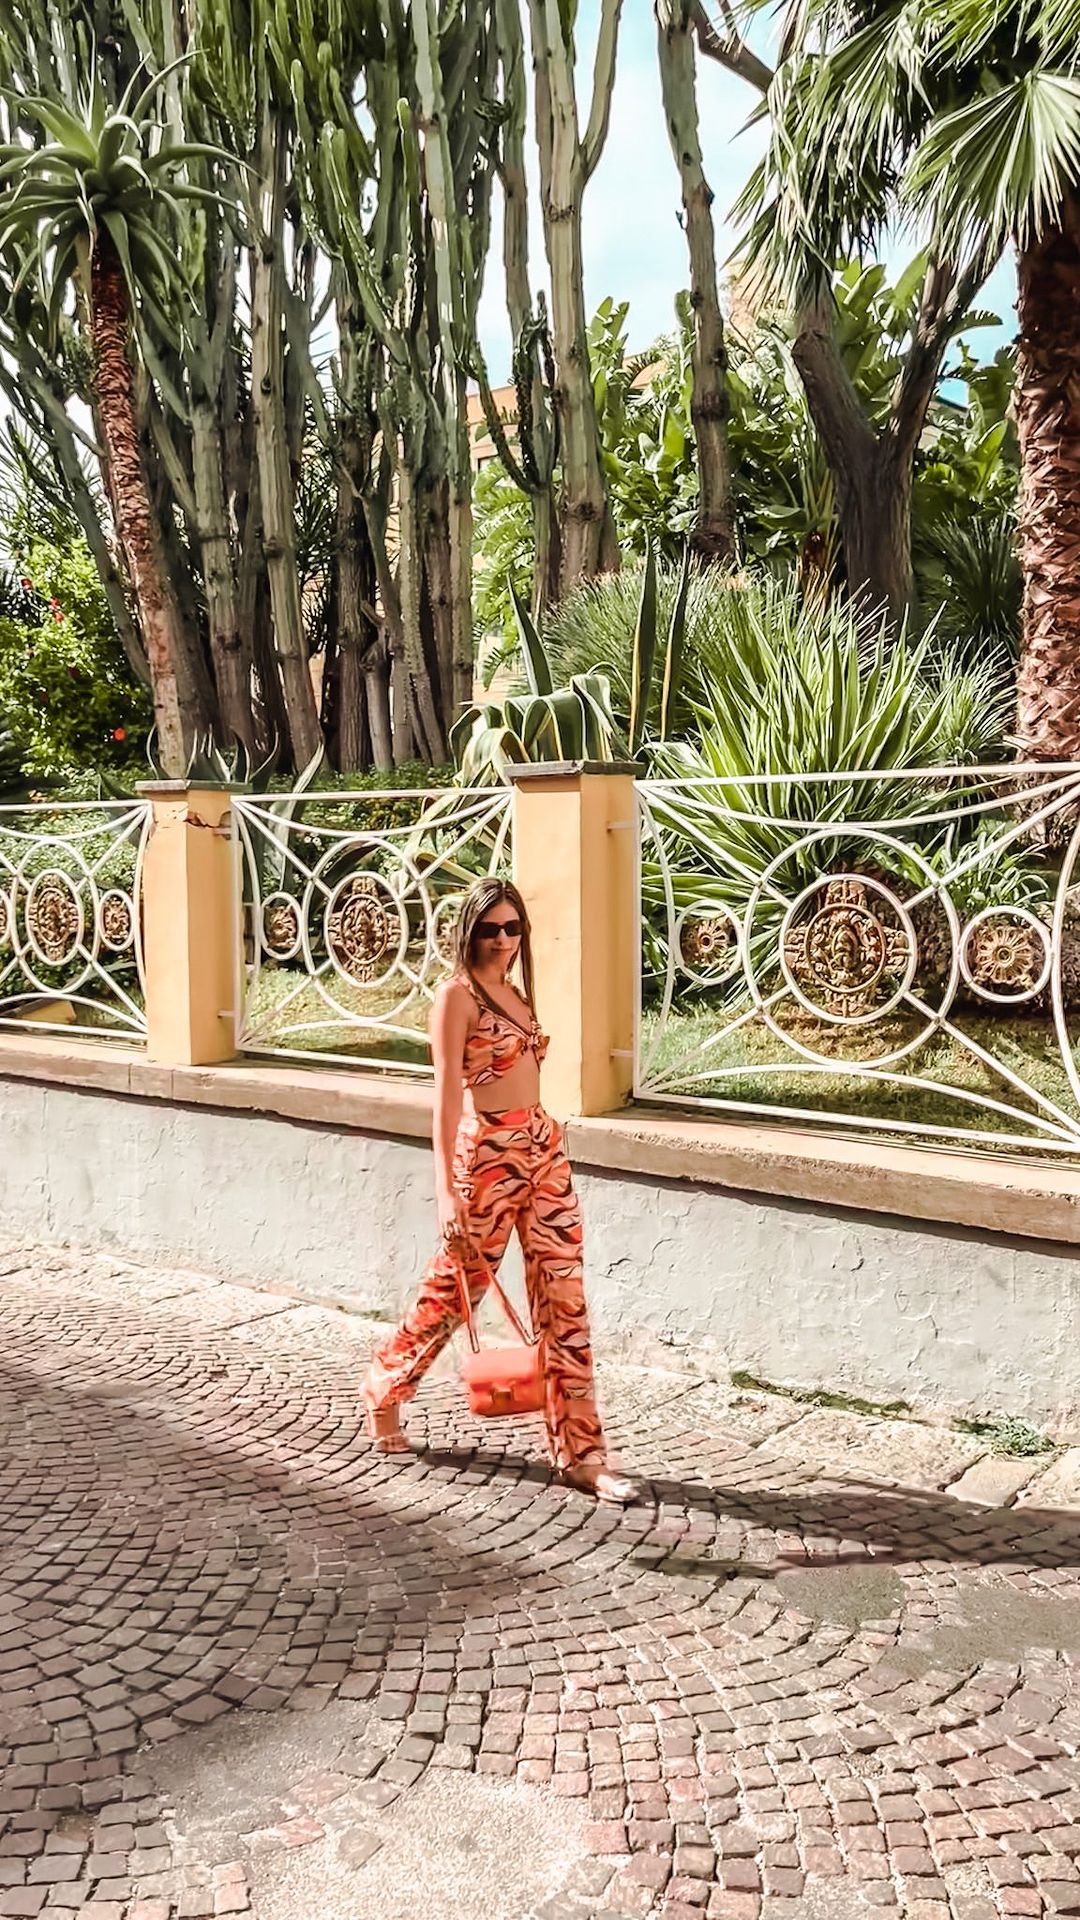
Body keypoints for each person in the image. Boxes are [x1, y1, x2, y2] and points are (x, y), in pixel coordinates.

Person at [361, 877, 636, 1505]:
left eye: (513, 928)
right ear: (469, 931)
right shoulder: (455, 998)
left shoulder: (515, 992)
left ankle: (582, 1454)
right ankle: (385, 1385)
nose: (503, 939)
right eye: (490, 929)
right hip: (485, 1155)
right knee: (456, 1291)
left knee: (565, 1302)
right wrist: (445, 1189)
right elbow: (445, 1097)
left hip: (543, 1147)